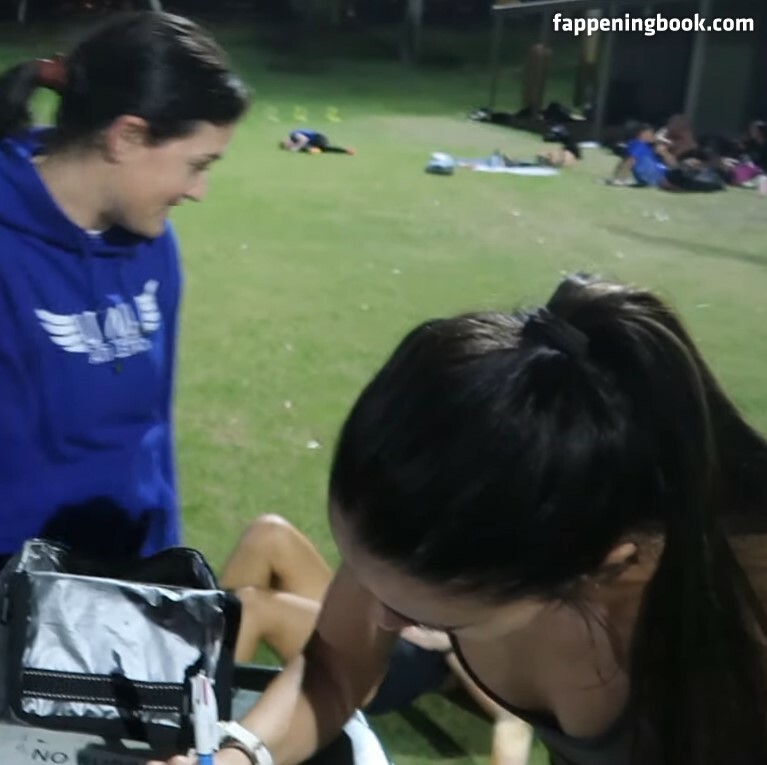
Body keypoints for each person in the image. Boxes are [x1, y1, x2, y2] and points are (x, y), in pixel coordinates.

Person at [155, 272, 767, 765]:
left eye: (435, 617)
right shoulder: (450, 510)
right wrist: (239, 756)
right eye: (361, 570)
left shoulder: (738, 642)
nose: (378, 617)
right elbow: (337, 665)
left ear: (609, 568)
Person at [0, 11, 249, 565]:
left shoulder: (153, 243)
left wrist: (163, 563)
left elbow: (152, 430)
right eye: (197, 164)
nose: (199, 190)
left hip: (131, 576)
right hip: (23, 589)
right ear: (127, 136)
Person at [221, 514, 533, 765]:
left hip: (388, 662)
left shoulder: (503, 598)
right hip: (381, 610)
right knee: (268, 534)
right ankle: (198, 649)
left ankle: (208, 725)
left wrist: (450, 640)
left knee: (253, 607)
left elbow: (513, 716)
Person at [279, 129, 355, 155]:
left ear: (288, 140)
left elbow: (304, 140)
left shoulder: (293, 134)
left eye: (287, 145)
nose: (289, 146)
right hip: (318, 139)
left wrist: (295, 148)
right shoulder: (295, 139)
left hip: (318, 138)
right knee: (326, 149)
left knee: (325, 148)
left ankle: (313, 149)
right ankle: (346, 151)